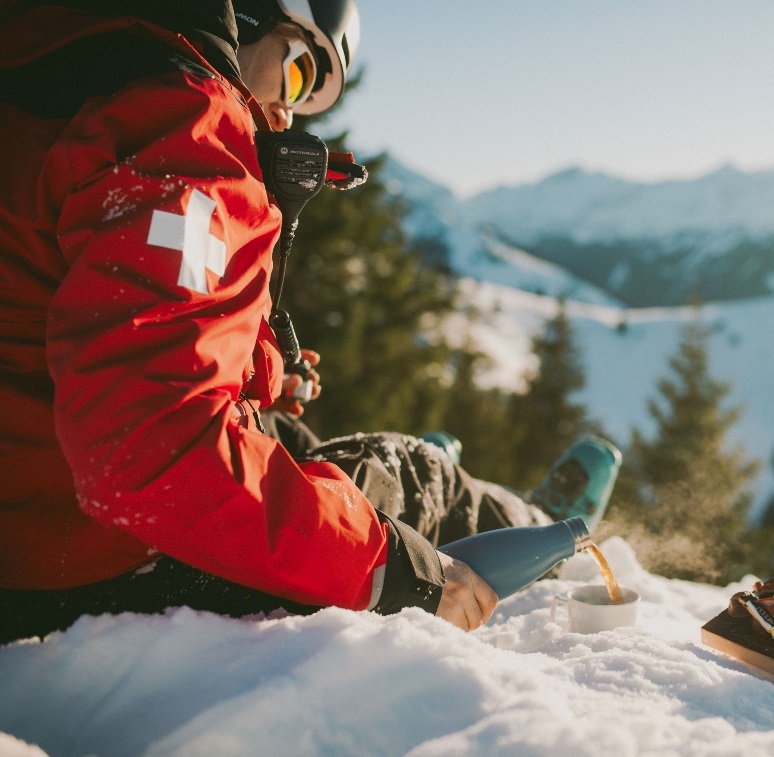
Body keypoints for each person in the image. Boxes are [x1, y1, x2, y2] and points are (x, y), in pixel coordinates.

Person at [0, 0, 620, 645]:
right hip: (82, 572)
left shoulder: (49, 77)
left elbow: (65, 324)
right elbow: (151, 441)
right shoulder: (175, 128)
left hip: (34, 528)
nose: (285, 114)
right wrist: (388, 569)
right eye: (298, 73)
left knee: (294, 440)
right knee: (400, 471)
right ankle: (547, 524)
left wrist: (247, 366)